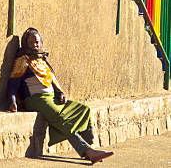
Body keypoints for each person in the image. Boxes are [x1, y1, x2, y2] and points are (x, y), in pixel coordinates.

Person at [7, 27, 114, 165]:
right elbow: (13, 83)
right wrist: (12, 101)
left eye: (37, 42)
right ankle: (89, 152)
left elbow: (53, 81)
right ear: (25, 44)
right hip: (35, 99)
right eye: (31, 42)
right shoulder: (23, 60)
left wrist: (60, 93)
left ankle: (89, 147)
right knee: (61, 118)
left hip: (52, 98)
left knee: (84, 109)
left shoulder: (42, 60)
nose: (35, 45)